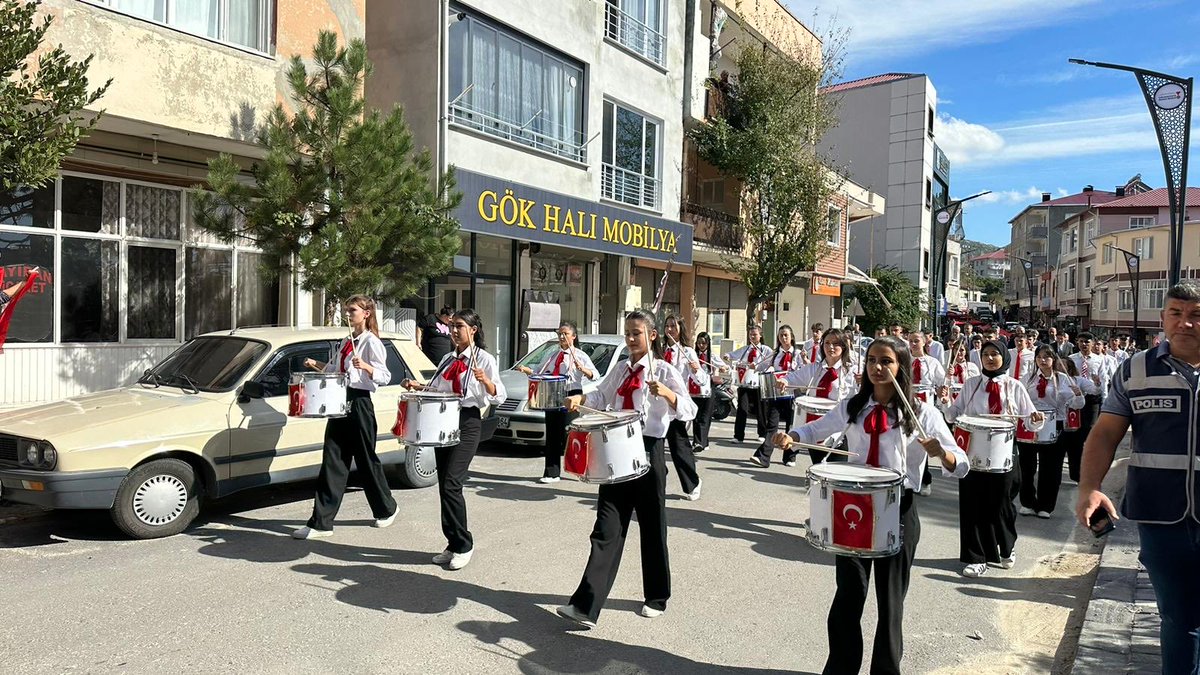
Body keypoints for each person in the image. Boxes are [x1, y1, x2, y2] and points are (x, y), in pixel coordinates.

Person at [774, 336, 968, 674]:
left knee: (890, 604)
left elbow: (962, 463)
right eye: (872, 360)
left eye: (887, 361)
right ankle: (840, 669)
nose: (877, 368)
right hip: (856, 509)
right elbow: (819, 427)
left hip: (899, 511)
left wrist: (942, 454)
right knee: (848, 597)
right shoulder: (853, 406)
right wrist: (793, 437)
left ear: (902, 367)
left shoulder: (922, 413)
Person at [1077, 282, 1200, 675]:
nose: (1186, 323)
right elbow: (1106, 433)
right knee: (1179, 618)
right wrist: (1089, 488)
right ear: (1162, 318)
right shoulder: (1135, 369)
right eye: (1176, 313)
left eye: (1196, 314)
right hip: (1161, 518)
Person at [557, 309, 697, 628]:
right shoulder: (620, 369)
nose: (631, 339)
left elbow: (689, 410)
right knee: (606, 529)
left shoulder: (663, 370)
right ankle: (585, 606)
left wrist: (668, 393)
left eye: (637, 333)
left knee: (652, 528)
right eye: (628, 333)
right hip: (615, 451)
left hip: (648, 450)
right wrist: (578, 398)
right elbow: (602, 395)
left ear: (652, 335)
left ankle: (657, 595)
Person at [402, 309, 506, 570]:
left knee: (452, 483)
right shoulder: (448, 359)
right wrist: (419, 386)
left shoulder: (483, 359)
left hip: (467, 421)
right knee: (444, 487)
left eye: (460, 326)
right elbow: (439, 389)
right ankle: (452, 542)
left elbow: (498, 395)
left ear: (473, 330)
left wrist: (486, 382)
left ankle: (464, 544)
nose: (454, 331)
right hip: (442, 421)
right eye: (452, 326)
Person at [293, 295, 396, 540]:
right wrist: (316, 364)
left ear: (366, 313)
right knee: (333, 460)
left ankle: (386, 508)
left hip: (360, 402)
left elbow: (385, 376)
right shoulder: (345, 342)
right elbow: (336, 372)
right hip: (339, 402)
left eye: (352, 310)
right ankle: (321, 522)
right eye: (346, 310)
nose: (347, 314)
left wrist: (368, 368)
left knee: (366, 461)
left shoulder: (371, 342)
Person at [944, 339, 1043, 577]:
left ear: (1003, 358)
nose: (989, 358)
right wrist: (945, 400)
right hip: (972, 452)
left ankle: (1006, 547)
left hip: (1005, 453)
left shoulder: (1015, 386)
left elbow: (1029, 419)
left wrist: (1036, 420)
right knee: (972, 505)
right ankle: (976, 557)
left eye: (994, 354)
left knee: (1002, 505)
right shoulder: (971, 384)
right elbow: (952, 415)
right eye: (985, 354)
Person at [516, 321, 596, 484]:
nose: (561, 337)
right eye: (560, 333)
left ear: (573, 336)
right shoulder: (552, 355)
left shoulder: (580, 355)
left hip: (571, 394)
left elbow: (595, 375)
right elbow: (539, 372)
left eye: (565, 333)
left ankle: (580, 468)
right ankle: (551, 472)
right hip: (552, 395)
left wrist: (584, 370)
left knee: (570, 434)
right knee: (552, 434)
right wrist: (527, 371)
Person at [1018, 346, 1084, 519]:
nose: (1042, 360)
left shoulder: (1062, 379)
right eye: (1039, 357)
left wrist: (1077, 395)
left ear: (1053, 359)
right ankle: (1027, 502)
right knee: (1027, 466)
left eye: (1046, 357)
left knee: (1051, 468)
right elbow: (1019, 399)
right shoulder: (1028, 378)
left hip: (1055, 424)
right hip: (1030, 424)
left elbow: (1078, 404)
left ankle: (1045, 505)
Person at [784, 327, 859, 465]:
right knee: (819, 471)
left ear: (843, 346)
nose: (831, 347)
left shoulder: (852, 371)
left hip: (840, 432)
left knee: (836, 474)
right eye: (827, 343)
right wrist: (783, 381)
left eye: (836, 343)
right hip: (815, 427)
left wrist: (863, 383)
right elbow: (793, 378)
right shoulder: (815, 368)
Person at [663, 314, 706, 500]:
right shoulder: (658, 350)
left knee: (679, 448)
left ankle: (692, 483)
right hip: (657, 404)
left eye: (673, 326)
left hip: (676, 405)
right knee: (652, 446)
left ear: (680, 329)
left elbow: (701, 380)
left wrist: (696, 369)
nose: (670, 329)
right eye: (667, 326)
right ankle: (655, 481)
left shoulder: (688, 352)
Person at [749, 324, 800, 468]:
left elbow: (804, 370)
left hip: (792, 393)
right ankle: (763, 457)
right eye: (781, 335)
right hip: (776, 394)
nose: (783, 338)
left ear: (791, 337)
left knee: (791, 426)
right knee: (772, 425)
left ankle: (790, 456)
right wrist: (754, 366)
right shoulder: (774, 354)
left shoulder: (798, 354)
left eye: (786, 335)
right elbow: (762, 365)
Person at [1068, 332, 1108, 482]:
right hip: (1076, 399)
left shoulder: (1099, 359)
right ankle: (1076, 472)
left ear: (1093, 343)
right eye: (1081, 341)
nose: (1084, 344)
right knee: (1075, 435)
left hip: (1092, 399)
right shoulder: (1072, 359)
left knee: (1090, 432)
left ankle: (1090, 468)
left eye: (1087, 342)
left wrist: (1104, 398)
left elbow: (1103, 379)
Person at [727, 326, 772, 443]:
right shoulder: (746, 349)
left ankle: (762, 433)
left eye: (755, 334)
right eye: (751, 334)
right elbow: (733, 354)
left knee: (760, 409)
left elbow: (771, 361)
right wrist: (728, 356)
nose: (752, 337)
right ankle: (738, 435)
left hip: (759, 382)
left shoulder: (765, 350)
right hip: (744, 382)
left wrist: (758, 366)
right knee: (742, 408)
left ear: (760, 335)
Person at [690, 331, 728, 455]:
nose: (701, 345)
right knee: (696, 416)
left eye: (704, 343)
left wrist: (723, 368)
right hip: (695, 388)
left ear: (708, 344)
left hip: (708, 387)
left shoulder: (711, 357)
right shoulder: (693, 356)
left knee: (705, 417)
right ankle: (698, 442)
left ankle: (701, 442)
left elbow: (724, 366)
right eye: (699, 343)